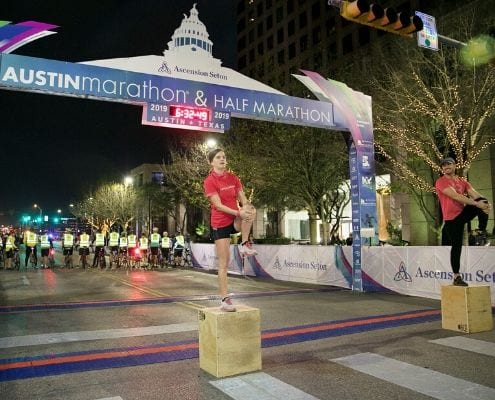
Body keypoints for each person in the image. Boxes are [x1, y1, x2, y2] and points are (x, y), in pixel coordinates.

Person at [203, 148, 257, 312]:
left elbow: (243, 198)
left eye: (224, 157)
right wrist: (238, 212)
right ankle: (225, 299)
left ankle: (244, 243)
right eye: (218, 157)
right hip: (220, 222)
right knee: (224, 263)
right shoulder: (209, 181)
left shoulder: (233, 178)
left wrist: (247, 207)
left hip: (235, 219)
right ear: (212, 162)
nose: (222, 160)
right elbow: (218, 205)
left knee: (251, 210)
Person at [435, 157, 491, 286]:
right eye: (443, 165)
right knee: (457, 246)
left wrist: (485, 204)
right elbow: (456, 196)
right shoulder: (440, 182)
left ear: (455, 166)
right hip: (451, 220)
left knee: (483, 200)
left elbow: (475, 195)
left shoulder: (462, 181)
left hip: (462, 215)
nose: (446, 167)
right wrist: (478, 205)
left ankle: (481, 231)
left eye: (449, 164)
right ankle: (456, 277)